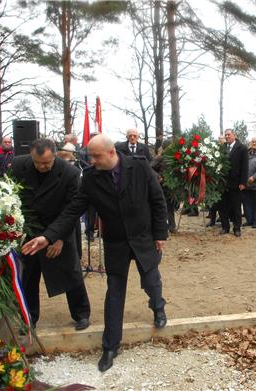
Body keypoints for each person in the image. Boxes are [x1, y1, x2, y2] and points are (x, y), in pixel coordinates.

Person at [21, 134, 168, 372]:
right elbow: (72, 211)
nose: (92, 160)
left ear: (111, 153)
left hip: (144, 239)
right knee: (114, 292)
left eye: (96, 156)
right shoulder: (90, 178)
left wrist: (160, 234)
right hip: (116, 243)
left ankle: (158, 306)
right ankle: (110, 346)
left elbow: (158, 200)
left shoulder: (139, 166)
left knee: (151, 282)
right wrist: (48, 236)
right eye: (90, 155)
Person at [11, 139, 91, 332]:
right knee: (28, 276)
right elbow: (12, 195)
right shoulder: (18, 165)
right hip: (30, 230)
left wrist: (58, 238)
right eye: (37, 162)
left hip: (60, 227)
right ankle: (28, 317)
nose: (42, 166)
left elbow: (72, 210)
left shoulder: (70, 173)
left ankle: (81, 313)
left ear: (55, 155)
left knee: (71, 273)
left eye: (46, 162)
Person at [219, 129, 249, 237]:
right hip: (223, 183)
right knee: (222, 206)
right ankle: (225, 227)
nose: (227, 136)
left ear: (234, 135)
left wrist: (243, 182)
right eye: (225, 135)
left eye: (229, 135)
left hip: (236, 183)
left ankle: (237, 228)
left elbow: (245, 167)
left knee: (236, 207)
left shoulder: (242, 148)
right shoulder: (222, 148)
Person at [151, 140, 178, 234]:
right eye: (171, 146)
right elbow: (150, 168)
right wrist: (158, 176)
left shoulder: (174, 158)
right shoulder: (159, 158)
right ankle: (161, 226)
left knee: (171, 206)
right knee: (162, 206)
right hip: (161, 185)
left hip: (171, 186)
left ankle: (172, 226)